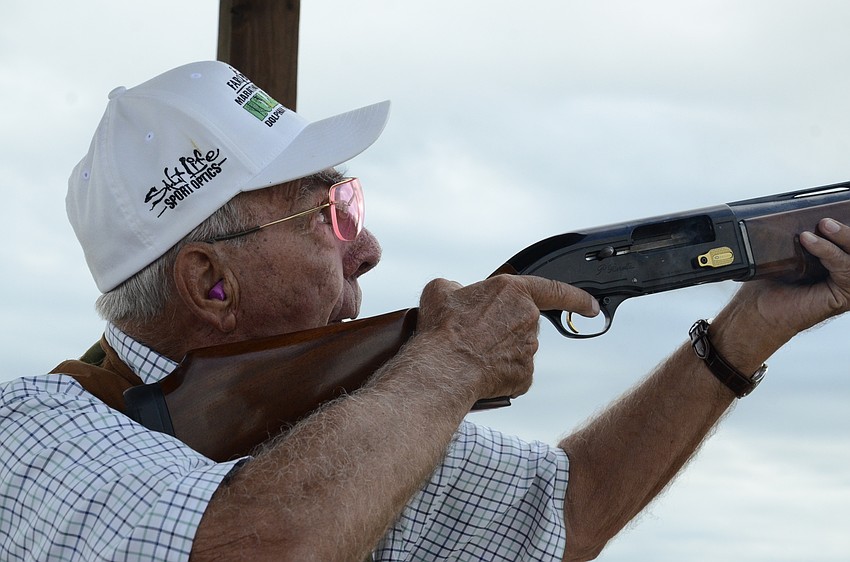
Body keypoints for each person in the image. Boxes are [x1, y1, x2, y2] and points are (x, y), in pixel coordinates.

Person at [1, 60, 848, 562]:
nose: (366, 247)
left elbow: (569, 509)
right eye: (327, 214)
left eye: (353, 203)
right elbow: (259, 546)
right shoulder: (29, 434)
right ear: (209, 284)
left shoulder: (344, 418)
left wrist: (745, 334)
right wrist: (446, 366)